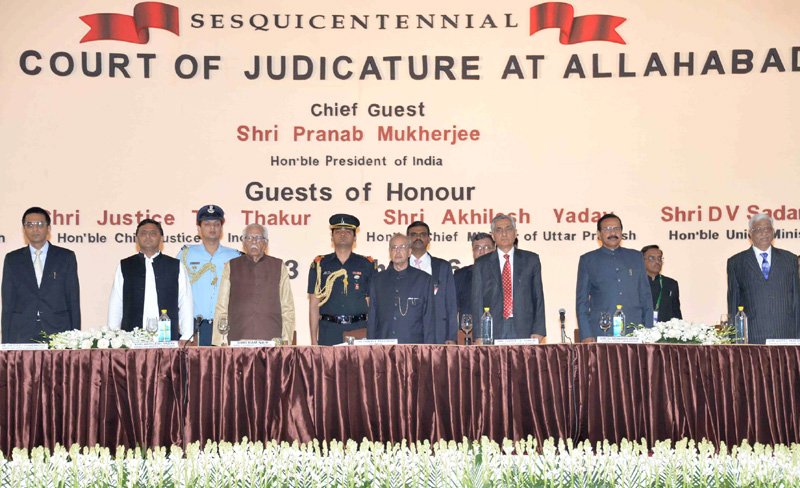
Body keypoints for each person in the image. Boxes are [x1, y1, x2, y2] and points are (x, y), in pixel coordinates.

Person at [2, 207, 81, 343]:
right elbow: (8, 303)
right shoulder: (12, 259)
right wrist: (6, 342)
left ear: (48, 228)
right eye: (30, 225)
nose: (35, 229)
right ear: (24, 229)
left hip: (58, 330)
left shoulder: (65, 257)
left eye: (40, 224)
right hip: (21, 332)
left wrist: (76, 339)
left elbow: (73, 300)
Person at [108, 219, 193, 340]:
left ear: (161, 238)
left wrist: (187, 336)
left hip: (167, 340)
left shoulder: (175, 265)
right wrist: (114, 336)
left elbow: (185, 301)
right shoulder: (125, 265)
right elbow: (116, 302)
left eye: (153, 233)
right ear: (136, 239)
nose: (148, 237)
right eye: (143, 233)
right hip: (132, 340)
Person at [213, 224, 295, 344]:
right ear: (243, 242)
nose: (254, 241)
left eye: (258, 238)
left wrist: (286, 340)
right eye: (249, 238)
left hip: (271, 340)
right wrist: (219, 341)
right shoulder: (231, 266)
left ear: (266, 243)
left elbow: (287, 308)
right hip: (238, 338)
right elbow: (222, 307)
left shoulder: (278, 266)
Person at [576, 213, 653, 341]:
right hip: (602, 330)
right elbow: (582, 302)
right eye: (607, 229)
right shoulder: (588, 260)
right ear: (599, 234)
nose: (613, 232)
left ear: (622, 232)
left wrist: (649, 330)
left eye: (616, 228)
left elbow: (646, 296)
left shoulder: (636, 257)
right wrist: (586, 334)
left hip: (635, 331)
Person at [727, 213, 800, 344]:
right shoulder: (736, 262)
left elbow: (796, 300)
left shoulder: (790, 259)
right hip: (752, 337)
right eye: (758, 230)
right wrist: (735, 339)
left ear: (773, 232)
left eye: (767, 229)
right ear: (750, 233)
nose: (764, 233)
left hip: (785, 336)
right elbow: (733, 303)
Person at [471, 214, 546, 341]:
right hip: (492, 328)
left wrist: (538, 330)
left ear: (515, 233)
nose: (504, 234)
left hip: (524, 327)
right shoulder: (481, 264)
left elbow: (538, 297)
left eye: (508, 229)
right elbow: (477, 301)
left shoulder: (531, 260)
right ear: (493, 235)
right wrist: (479, 334)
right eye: (499, 230)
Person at [308, 214, 376, 345]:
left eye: (348, 231)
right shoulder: (320, 265)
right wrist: (313, 341)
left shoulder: (366, 264)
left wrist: (372, 336)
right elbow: (313, 305)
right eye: (338, 231)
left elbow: (371, 304)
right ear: (332, 236)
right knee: (328, 366)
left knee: (359, 366)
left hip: (359, 329)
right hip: (329, 330)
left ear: (355, 237)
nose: (343, 235)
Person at [177, 205, 240, 345]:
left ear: (222, 229)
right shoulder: (185, 254)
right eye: (207, 224)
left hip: (225, 326)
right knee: (194, 366)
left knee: (225, 366)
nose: (212, 228)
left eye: (216, 224)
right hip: (194, 326)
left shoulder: (235, 256)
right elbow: (175, 290)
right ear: (199, 229)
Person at [367, 234, 434, 344]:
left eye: (402, 247)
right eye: (394, 247)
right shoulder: (377, 280)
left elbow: (429, 319)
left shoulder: (424, 279)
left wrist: (427, 350)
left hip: (413, 346)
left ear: (409, 252)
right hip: (384, 347)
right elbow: (372, 319)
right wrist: (371, 347)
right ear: (389, 252)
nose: (397, 251)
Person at [407, 221, 458, 344]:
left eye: (423, 234)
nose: (418, 237)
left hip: (437, 333)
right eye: (413, 234)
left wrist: (451, 337)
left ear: (429, 239)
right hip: (406, 333)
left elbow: (450, 304)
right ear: (407, 239)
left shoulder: (443, 266)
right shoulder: (396, 265)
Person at [453, 232, 495, 317]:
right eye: (477, 248)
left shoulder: (503, 274)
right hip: (468, 329)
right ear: (472, 251)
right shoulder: (460, 276)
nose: (482, 251)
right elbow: (451, 308)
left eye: (486, 247)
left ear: (494, 250)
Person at [641, 244, 682, 322]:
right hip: (640, 330)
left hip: (664, 331)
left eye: (659, 258)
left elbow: (676, 313)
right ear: (642, 261)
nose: (657, 262)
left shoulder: (671, 284)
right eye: (651, 258)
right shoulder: (635, 282)